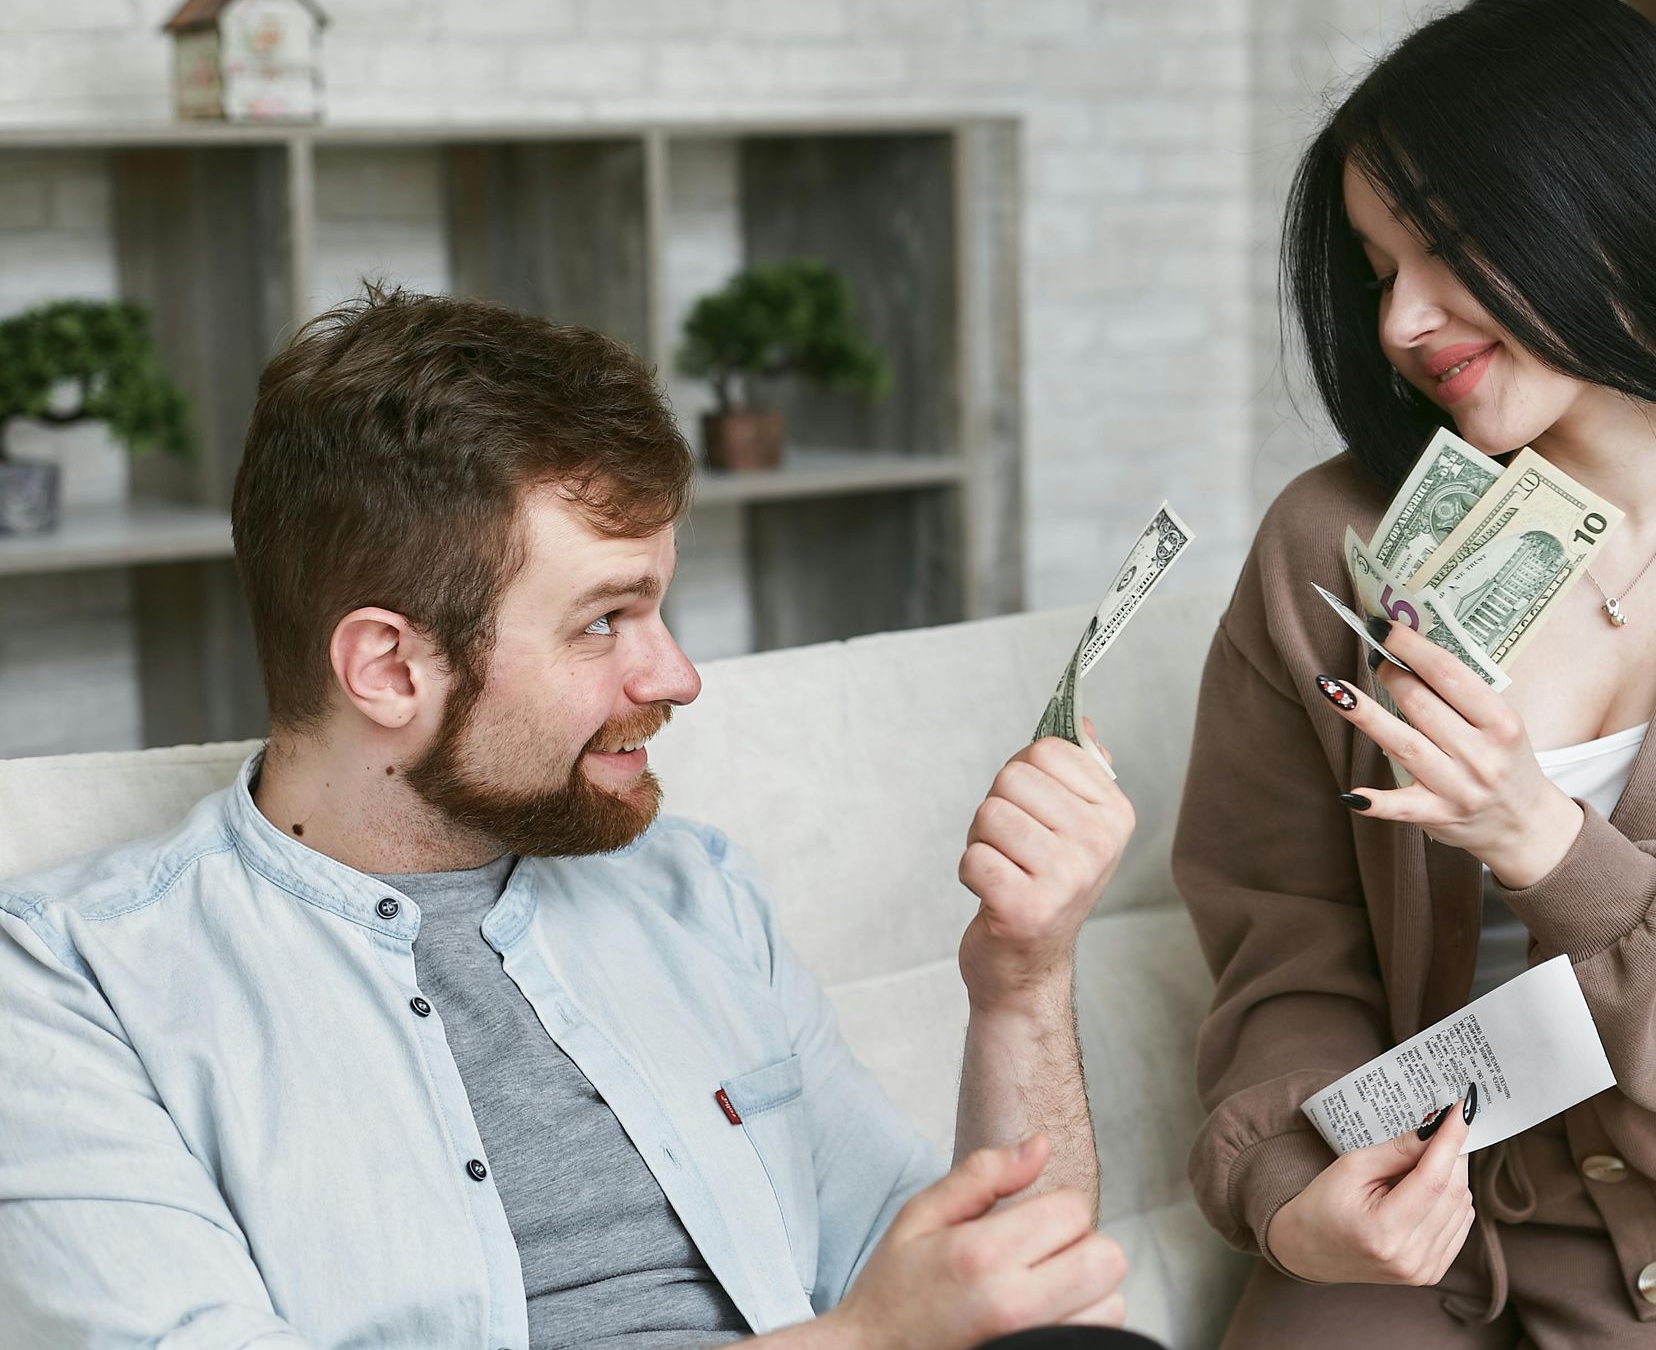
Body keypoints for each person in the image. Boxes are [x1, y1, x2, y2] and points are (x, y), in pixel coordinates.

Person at [0, 286, 1153, 1350]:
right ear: (390, 670)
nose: (679, 675)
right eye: (605, 621)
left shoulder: (693, 891)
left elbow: (998, 1292)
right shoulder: (74, 983)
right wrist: (858, 1344)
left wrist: (1022, 976)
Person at [1176, 0, 1656, 1349]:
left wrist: (1541, 841)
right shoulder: (1331, 543)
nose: (1402, 322)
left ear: (1621, 204)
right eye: (1379, 266)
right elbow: (1287, 945)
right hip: (1402, 1230)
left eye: (1451, 250)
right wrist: (1295, 1197)